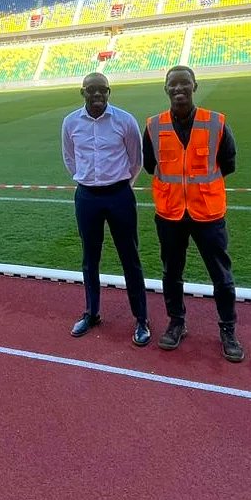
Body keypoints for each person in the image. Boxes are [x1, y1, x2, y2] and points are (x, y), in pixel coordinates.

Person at [143, 65, 244, 362]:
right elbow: (151, 166)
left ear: (195, 86)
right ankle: (177, 322)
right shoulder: (153, 126)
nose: (178, 90)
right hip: (170, 214)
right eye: (172, 85)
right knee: (171, 273)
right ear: (165, 89)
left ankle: (228, 330)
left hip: (208, 215)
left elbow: (228, 163)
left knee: (221, 277)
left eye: (184, 84)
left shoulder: (216, 123)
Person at [61, 72, 151, 346]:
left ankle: (141, 319)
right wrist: (89, 181)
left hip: (119, 195)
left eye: (102, 90)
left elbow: (136, 160)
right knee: (90, 257)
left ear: (109, 92)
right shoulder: (70, 123)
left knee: (129, 258)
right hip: (87, 197)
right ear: (82, 93)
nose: (97, 95)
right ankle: (92, 313)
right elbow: (70, 159)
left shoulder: (124, 120)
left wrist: (121, 185)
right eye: (91, 90)